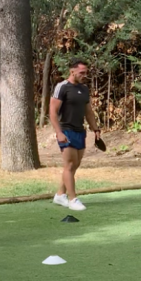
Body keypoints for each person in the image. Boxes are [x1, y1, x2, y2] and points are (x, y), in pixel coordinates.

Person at [50, 58, 100, 211]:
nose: (84, 75)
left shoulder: (84, 89)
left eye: (86, 72)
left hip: (80, 131)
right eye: (81, 72)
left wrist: (95, 129)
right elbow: (52, 111)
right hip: (66, 130)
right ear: (72, 71)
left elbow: (88, 111)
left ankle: (60, 195)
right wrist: (58, 132)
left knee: (75, 165)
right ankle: (72, 199)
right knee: (70, 165)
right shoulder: (62, 87)